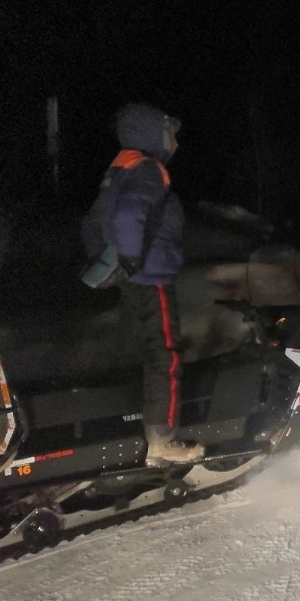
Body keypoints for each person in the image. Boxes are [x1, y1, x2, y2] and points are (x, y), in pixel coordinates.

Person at [81, 102, 204, 466]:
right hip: (150, 275)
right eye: (169, 132)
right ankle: (163, 441)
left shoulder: (121, 168)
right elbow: (129, 213)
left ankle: (152, 430)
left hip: (135, 276)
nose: (175, 140)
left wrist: (108, 260)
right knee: (164, 355)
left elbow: (91, 222)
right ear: (152, 133)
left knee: (151, 351)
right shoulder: (149, 168)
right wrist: (131, 258)